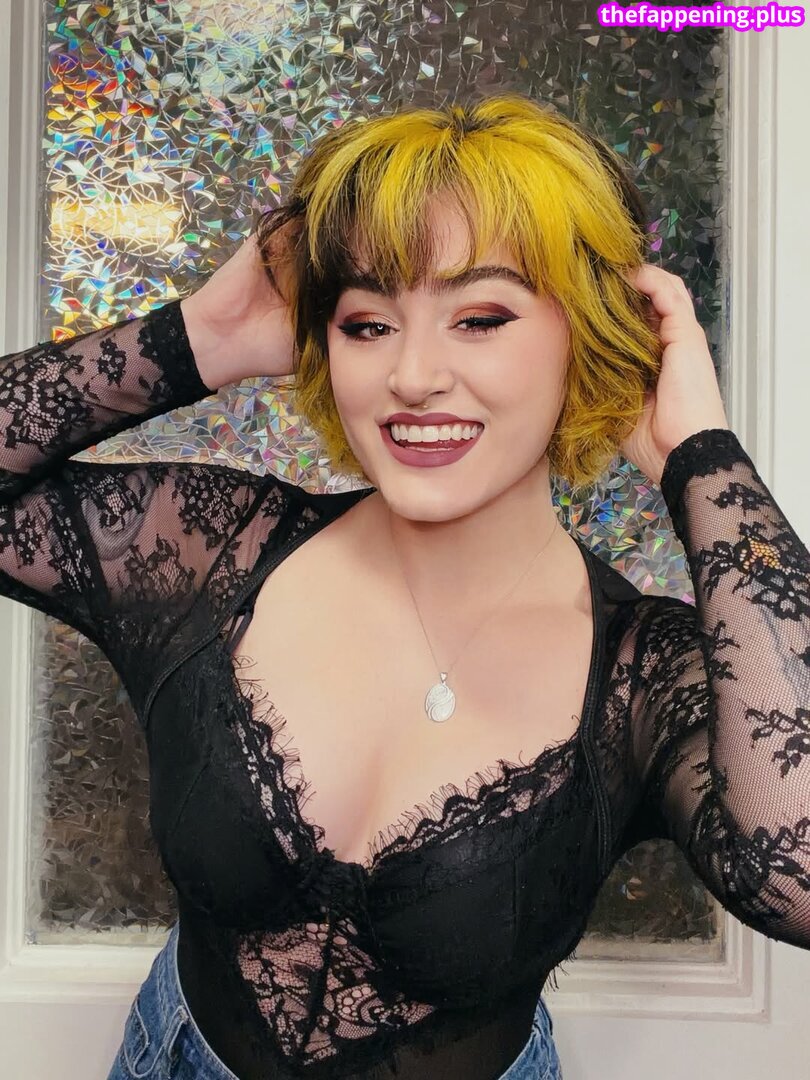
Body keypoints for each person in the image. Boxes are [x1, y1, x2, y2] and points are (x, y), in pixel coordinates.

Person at [1, 91, 808, 1080]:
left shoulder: (645, 674)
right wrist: (202, 337)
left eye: (481, 318)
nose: (414, 375)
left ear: (589, 336)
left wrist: (702, 459)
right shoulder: (211, 554)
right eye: (368, 323)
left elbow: (799, 873)